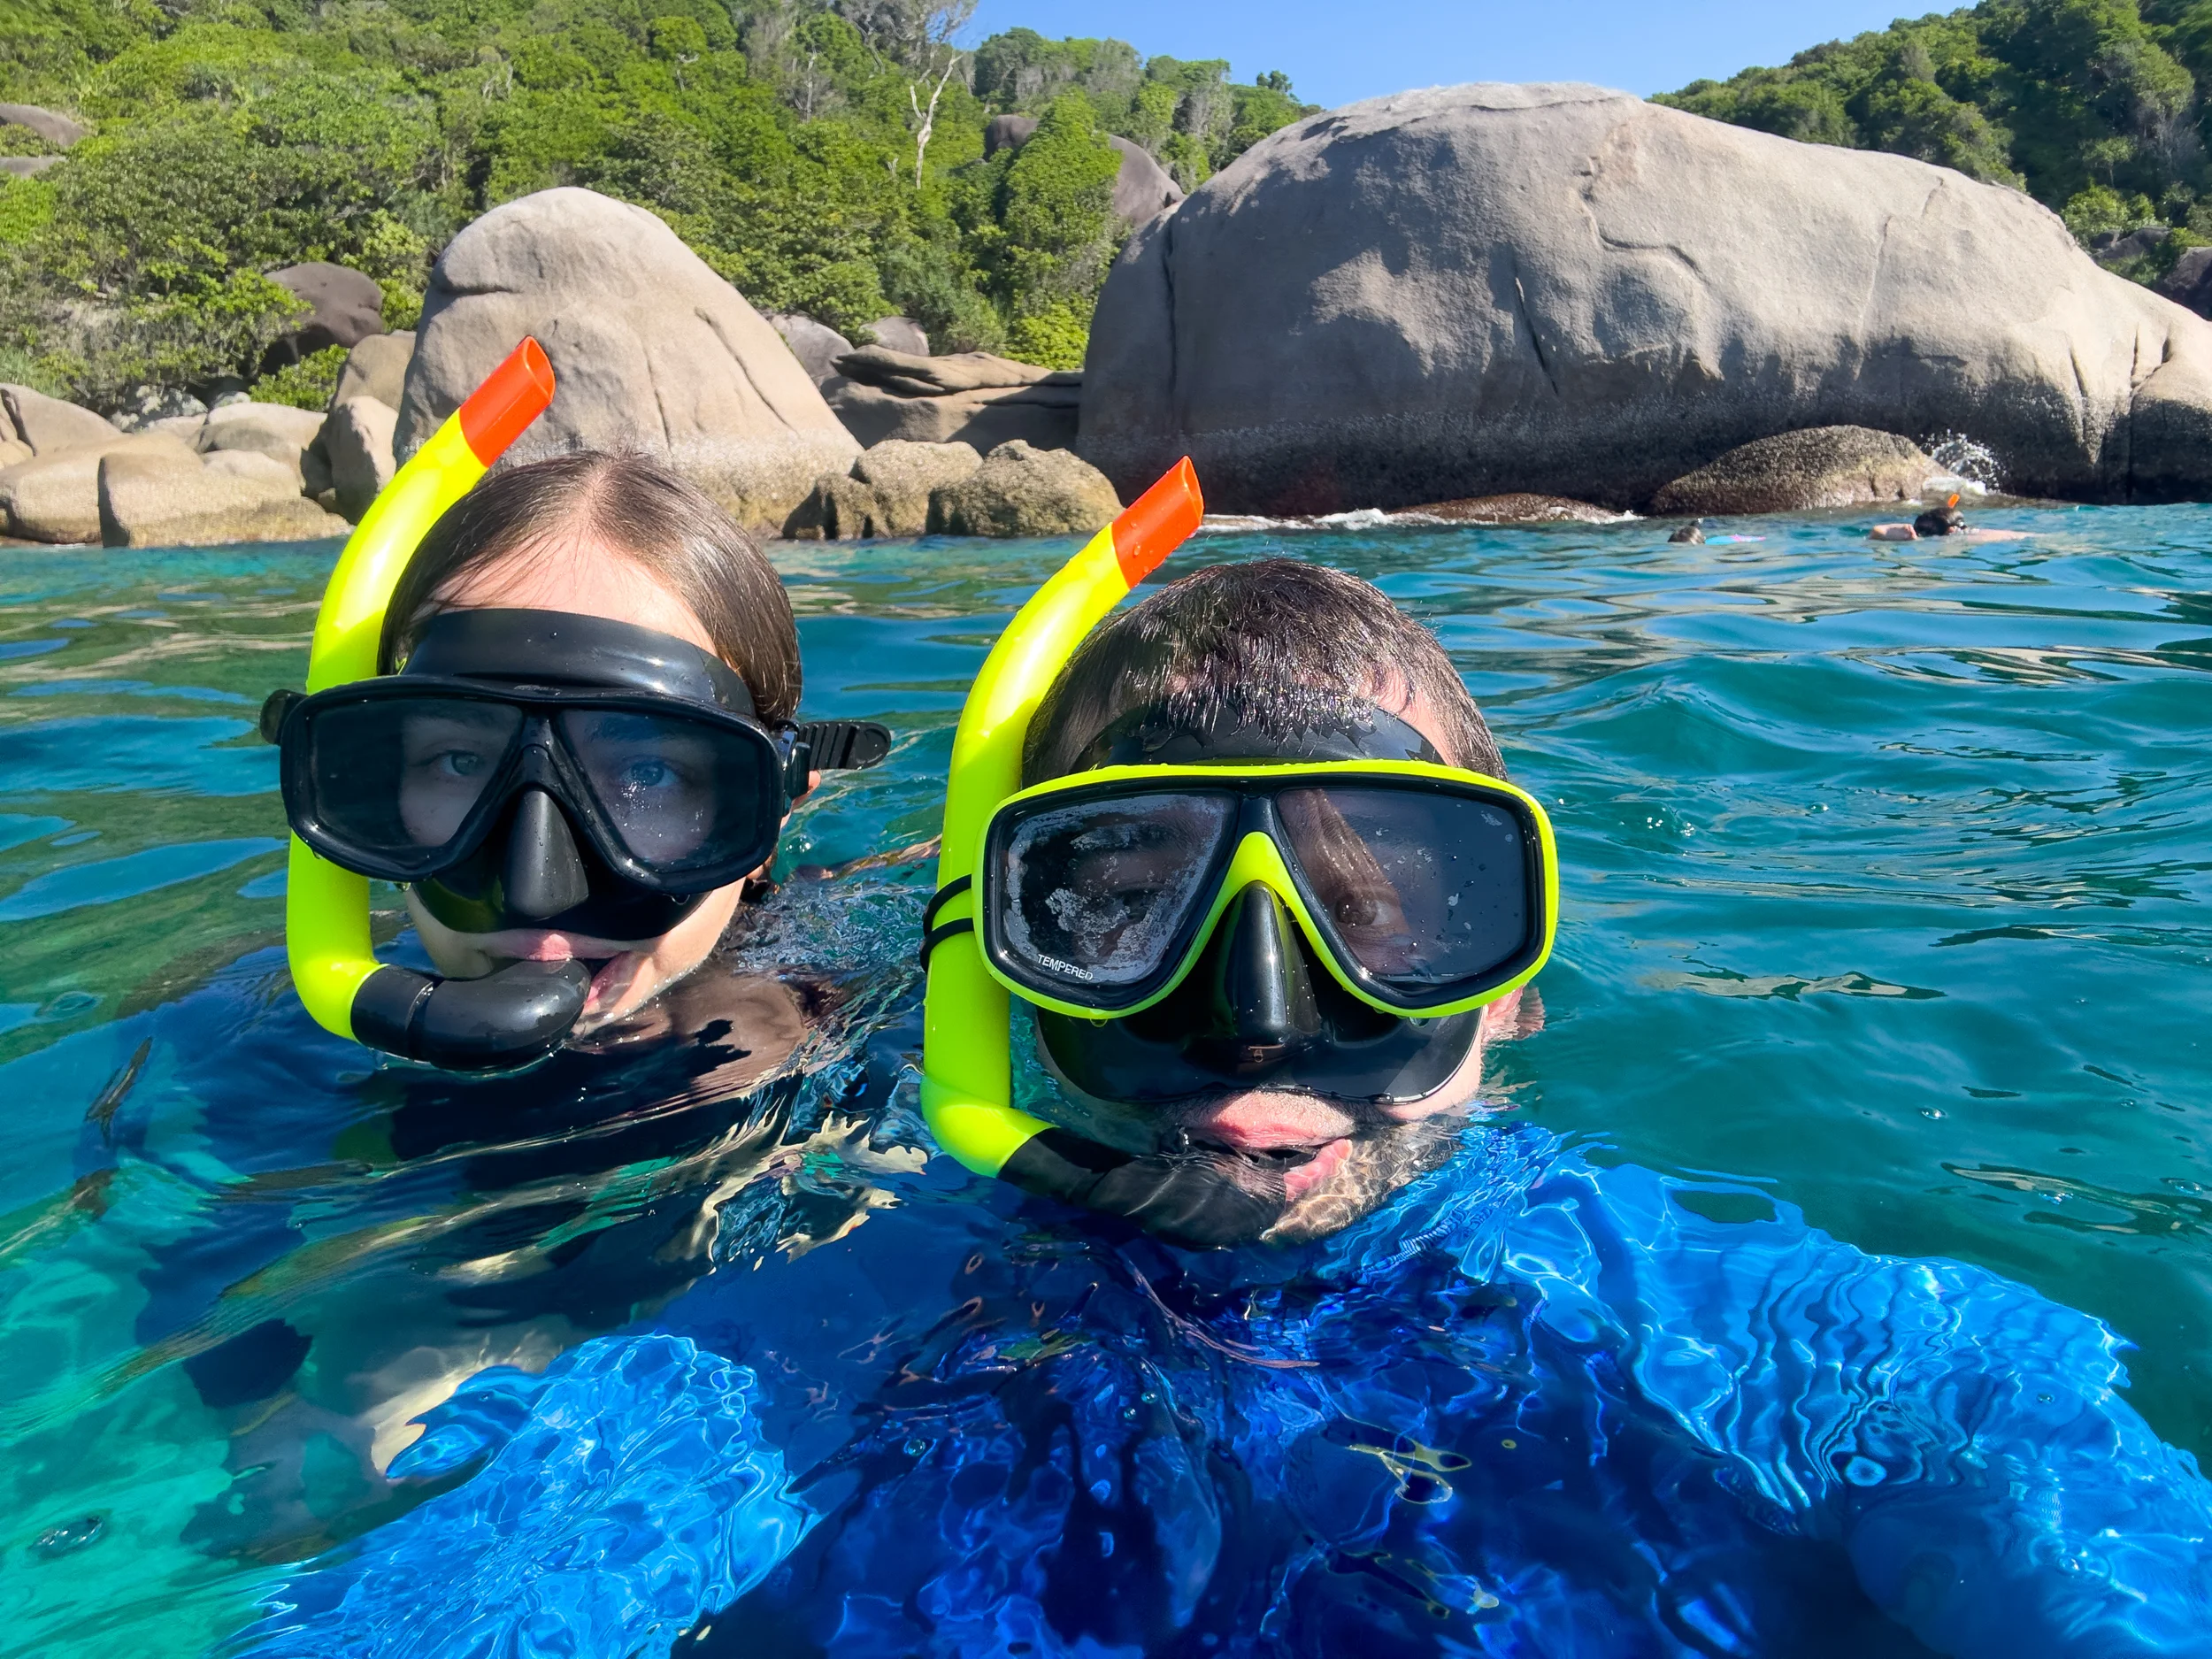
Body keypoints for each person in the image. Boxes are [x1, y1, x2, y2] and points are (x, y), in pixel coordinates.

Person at [251, 558, 2212, 1659]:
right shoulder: (790, 1363)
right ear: (995, 960)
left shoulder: (1798, 1350)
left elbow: (2071, 1511)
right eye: (1119, 905)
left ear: (1514, 967)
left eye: (1390, 916)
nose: (1258, 1024)